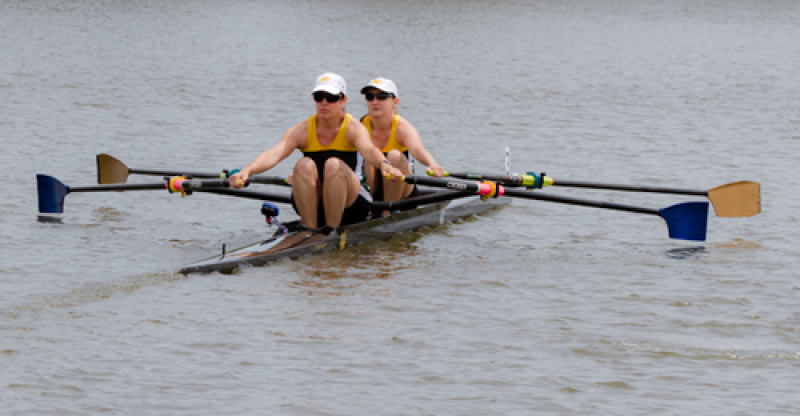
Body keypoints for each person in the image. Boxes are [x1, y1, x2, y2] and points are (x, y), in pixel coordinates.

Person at [229, 73, 403, 232]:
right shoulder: (303, 129)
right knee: (303, 165)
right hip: (315, 202)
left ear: (343, 101)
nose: (324, 102)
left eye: (331, 97)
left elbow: (369, 150)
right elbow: (273, 154)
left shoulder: (353, 128)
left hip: (352, 205)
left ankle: (330, 231)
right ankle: (309, 230)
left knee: (333, 164)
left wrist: (384, 165)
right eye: (319, 97)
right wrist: (247, 171)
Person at [359, 78, 445, 203]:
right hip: (372, 186)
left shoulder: (403, 128)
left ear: (395, 102)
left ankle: (387, 213)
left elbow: (417, 149)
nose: (375, 101)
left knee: (394, 155)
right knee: (368, 155)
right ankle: (367, 206)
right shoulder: (359, 126)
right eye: (370, 97)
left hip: (403, 189)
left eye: (382, 96)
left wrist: (432, 164)